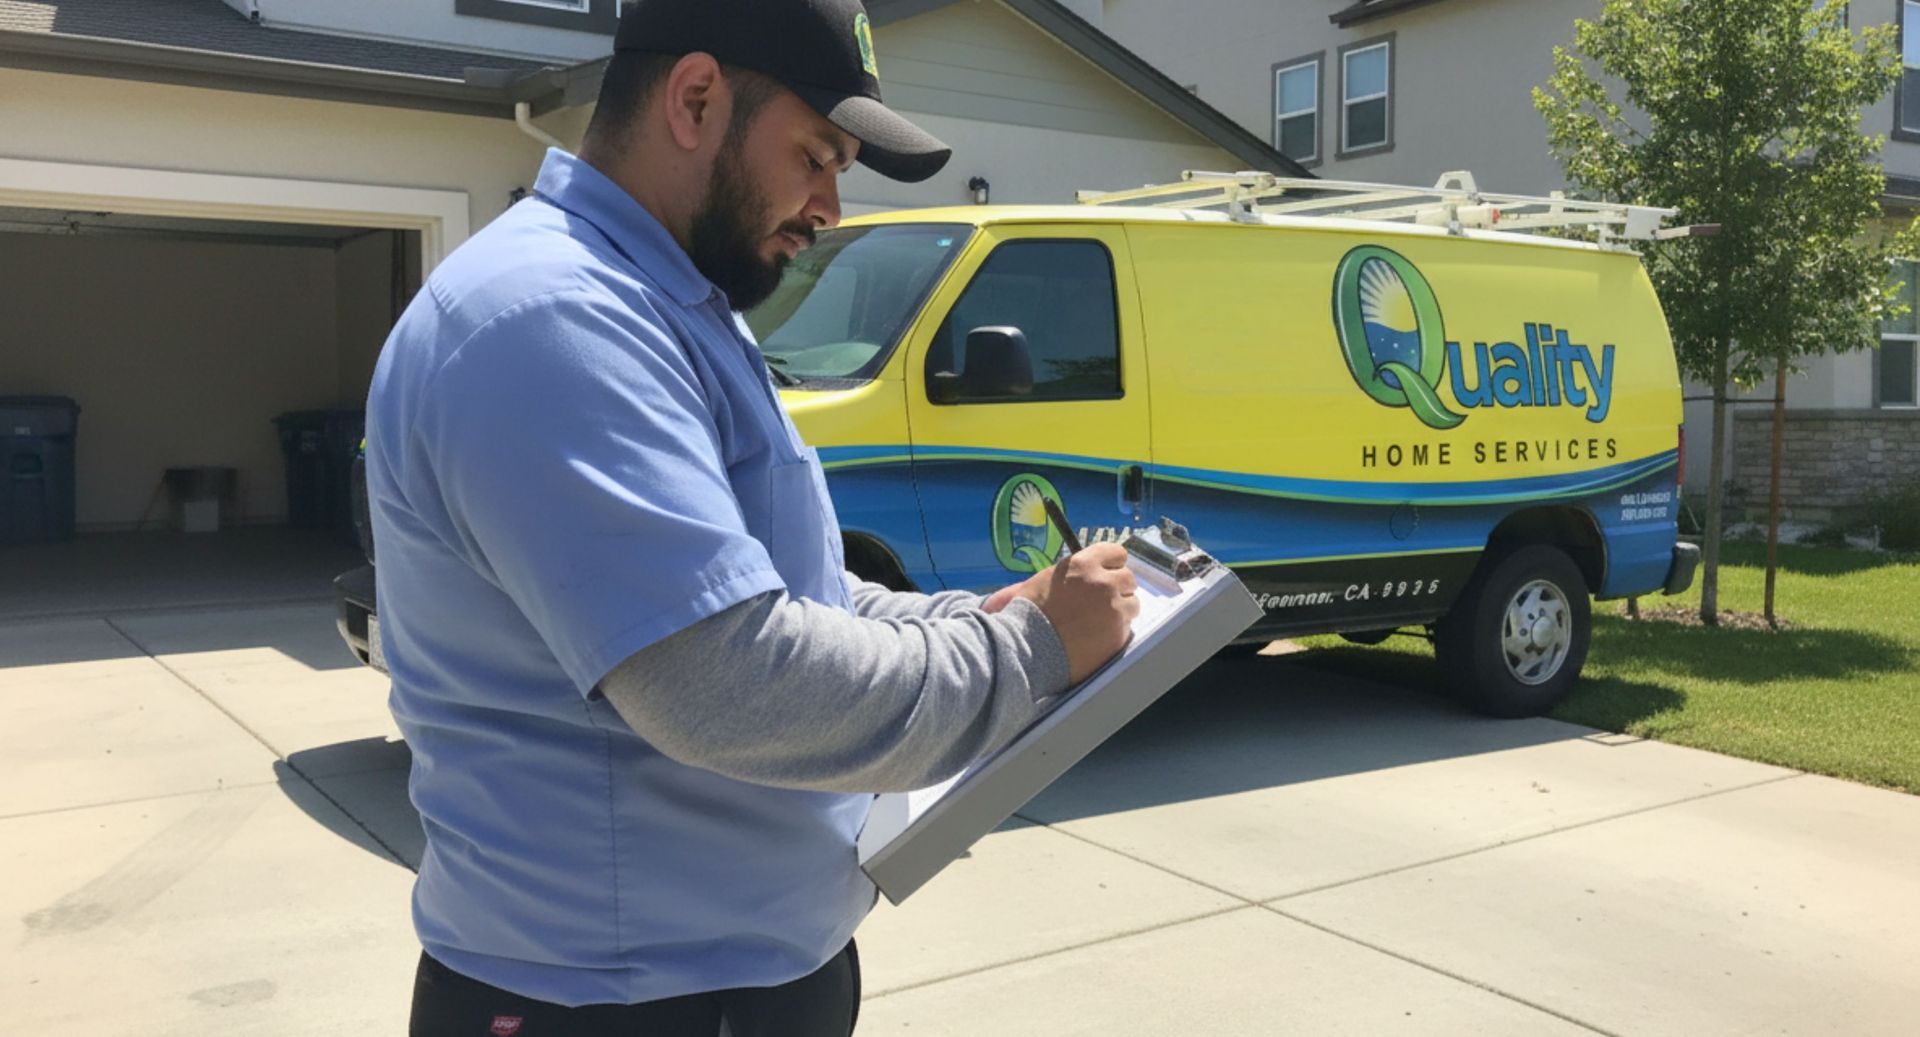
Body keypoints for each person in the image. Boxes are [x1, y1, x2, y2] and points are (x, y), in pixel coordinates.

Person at [363, 0, 1140, 1033]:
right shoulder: (553, 319)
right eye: (815, 155)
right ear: (694, 99)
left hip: (721, 970)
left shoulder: (671, 305)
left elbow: (787, 584)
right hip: (612, 997)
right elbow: (722, 679)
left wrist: (971, 617)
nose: (829, 204)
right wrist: (1031, 652)